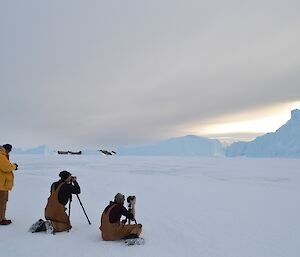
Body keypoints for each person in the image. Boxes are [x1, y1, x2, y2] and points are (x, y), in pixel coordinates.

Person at [0, 144, 18, 225]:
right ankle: (1, 219)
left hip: (3, 183)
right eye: (9, 150)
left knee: (3, 201)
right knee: (2, 202)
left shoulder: (3, 155)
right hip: (2, 184)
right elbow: (6, 167)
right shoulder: (1, 155)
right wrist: (14, 166)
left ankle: (2, 218)